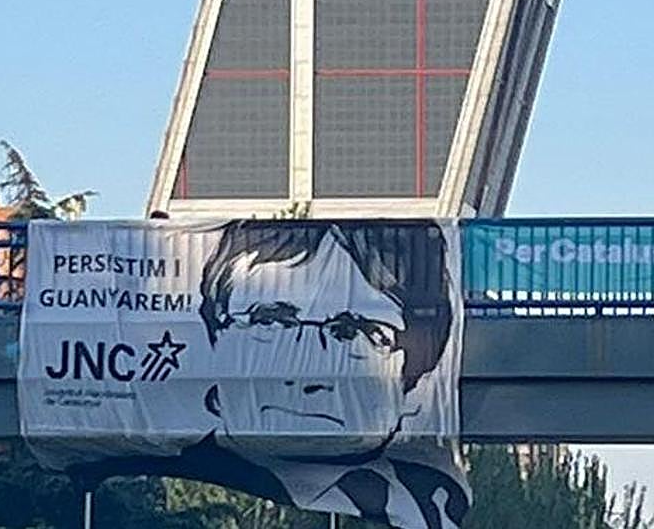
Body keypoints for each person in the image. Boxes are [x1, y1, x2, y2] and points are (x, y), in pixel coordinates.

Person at [81, 219, 469, 529]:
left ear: (414, 373)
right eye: (271, 322)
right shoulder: (122, 464)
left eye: (353, 332)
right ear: (214, 340)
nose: (308, 373)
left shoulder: (431, 496)